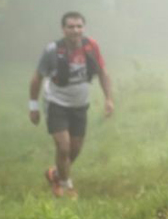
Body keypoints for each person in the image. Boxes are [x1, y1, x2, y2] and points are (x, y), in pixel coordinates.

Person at [29, 11, 114, 198]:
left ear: (83, 28)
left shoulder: (91, 46)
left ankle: (56, 175)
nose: (75, 31)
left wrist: (108, 98)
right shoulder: (52, 50)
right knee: (64, 147)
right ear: (63, 29)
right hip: (56, 102)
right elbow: (37, 78)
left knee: (75, 149)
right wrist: (33, 106)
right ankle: (67, 186)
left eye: (79, 26)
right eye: (71, 27)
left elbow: (103, 73)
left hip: (80, 104)